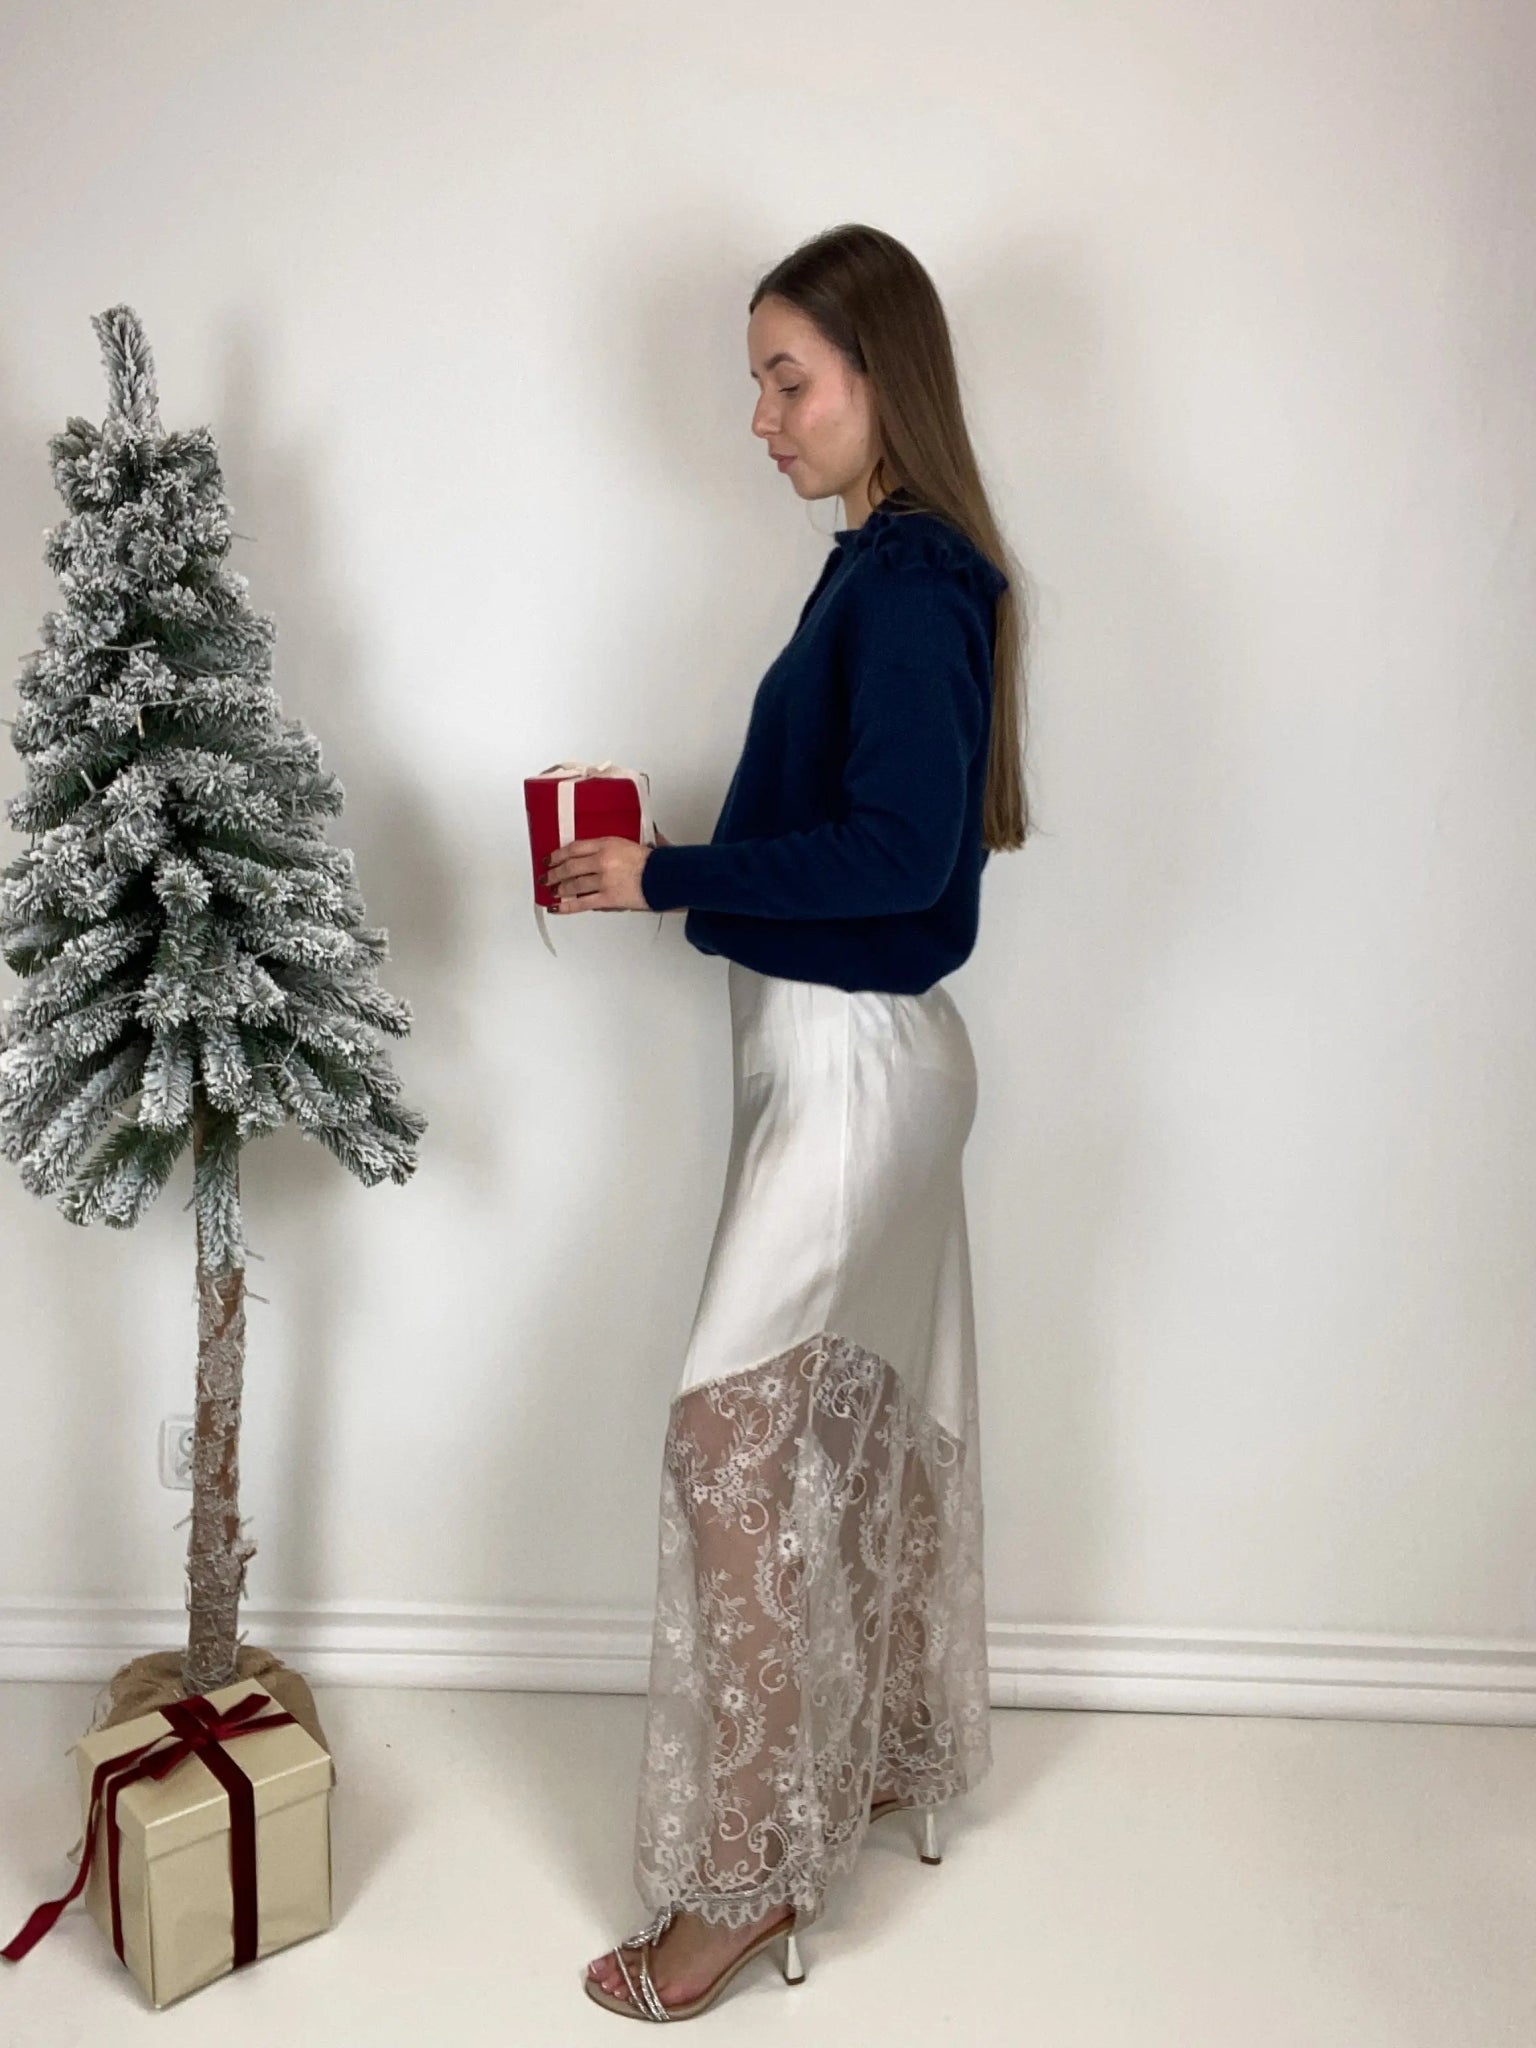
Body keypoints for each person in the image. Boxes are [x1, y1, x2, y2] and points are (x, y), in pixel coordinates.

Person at [544, 221, 1033, 2023]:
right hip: (859, 1060)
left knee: (729, 1446)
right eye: (759, 380)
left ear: (880, 375)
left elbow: (903, 859)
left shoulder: (908, 581)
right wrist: (669, 861)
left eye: (787, 378)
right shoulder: (895, 571)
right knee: (864, 1417)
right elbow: (869, 833)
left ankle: (746, 1881)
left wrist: (669, 874)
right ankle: (888, 1754)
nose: (761, 416)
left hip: (853, 1070)